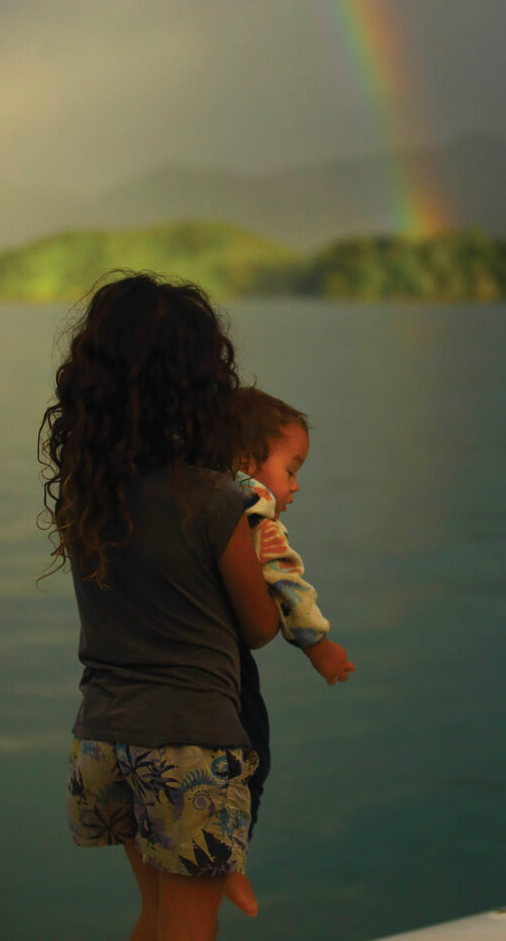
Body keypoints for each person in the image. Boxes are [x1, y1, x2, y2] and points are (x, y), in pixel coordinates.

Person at [38, 273, 280, 941]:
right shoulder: (215, 502)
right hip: (188, 750)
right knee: (190, 929)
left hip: (104, 740)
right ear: (201, 382)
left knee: (158, 916)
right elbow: (259, 626)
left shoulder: (88, 497)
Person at [223, 386, 355, 916]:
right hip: (227, 673)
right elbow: (285, 583)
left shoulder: (194, 495)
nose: (296, 486)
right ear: (249, 463)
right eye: (292, 469)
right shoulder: (254, 511)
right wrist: (318, 645)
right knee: (254, 754)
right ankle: (231, 859)